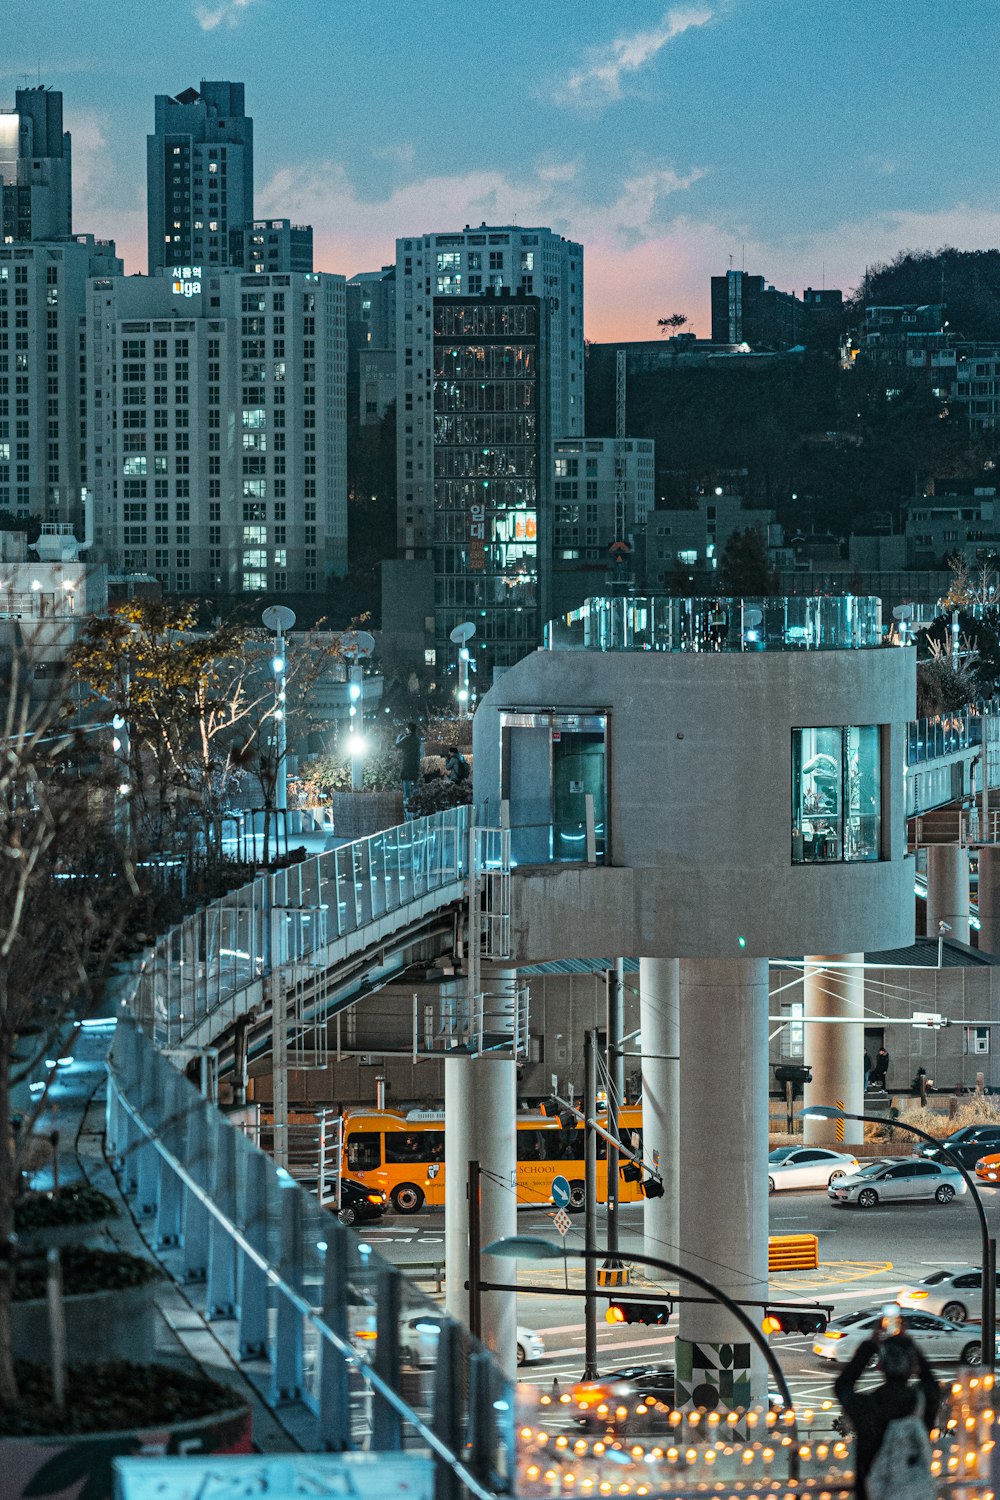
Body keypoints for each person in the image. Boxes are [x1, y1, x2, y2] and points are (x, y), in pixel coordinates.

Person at [834, 1328, 939, 1500]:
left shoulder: (867, 1406)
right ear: (912, 1367)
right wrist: (911, 1345)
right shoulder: (923, 1404)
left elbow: (843, 1386)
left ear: (880, 1366)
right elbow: (931, 1384)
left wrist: (869, 1346)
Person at [395, 722, 421, 813]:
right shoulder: (417, 739)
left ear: (409, 729)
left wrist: (399, 736)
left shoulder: (407, 738)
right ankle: (416, 799)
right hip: (416, 763)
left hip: (407, 763)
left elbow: (398, 745)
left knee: (406, 780)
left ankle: (407, 800)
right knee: (415, 780)